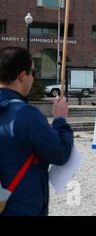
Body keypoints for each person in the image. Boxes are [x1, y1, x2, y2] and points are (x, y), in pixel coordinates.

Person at [0, 47, 73, 216]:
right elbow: (60, 153)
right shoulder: (24, 114)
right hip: (19, 205)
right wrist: (60, 119)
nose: (33, 78)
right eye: (33, 72)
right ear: (22, 75)